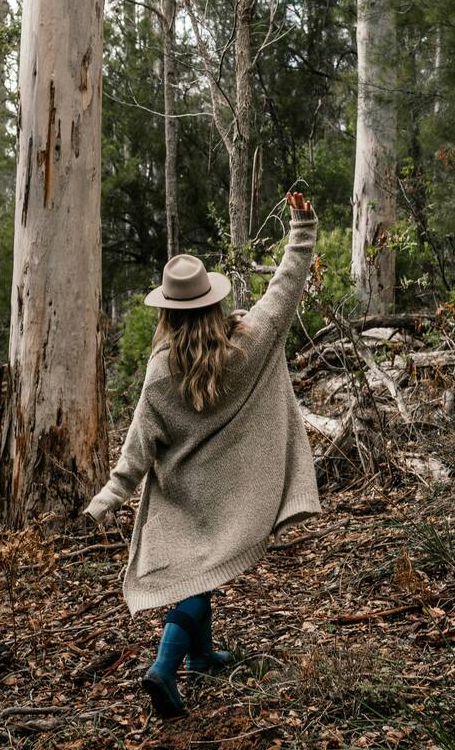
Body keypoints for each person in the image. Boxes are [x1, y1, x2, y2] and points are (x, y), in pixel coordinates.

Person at [84, 191, 321, 717]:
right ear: (214, 301)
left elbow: (138, 447)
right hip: (233, 492)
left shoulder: (161, 371)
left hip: (184, 498)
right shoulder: (251, 342)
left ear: (167, 313)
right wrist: (301, 225)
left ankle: (200, 657)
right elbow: (286, 284)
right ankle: (164, 670)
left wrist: (106, 499)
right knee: (201, 576)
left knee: (200, 570)